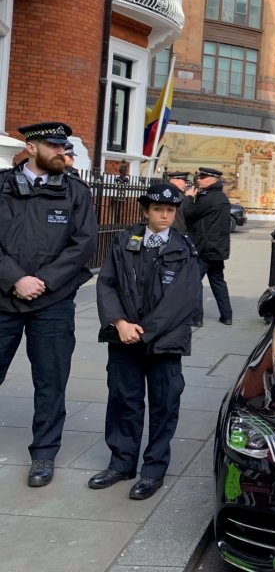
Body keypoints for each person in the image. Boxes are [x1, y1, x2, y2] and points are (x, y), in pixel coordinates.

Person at [0, 122, 97, 487]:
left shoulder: (76, 192)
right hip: (3, 298)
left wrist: (43, 282)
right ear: (31, 147)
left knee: (51, 381)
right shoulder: (2, 186)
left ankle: (44, 453)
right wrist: (15, 279)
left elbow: (84, 243)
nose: (62, 152)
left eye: (64, 146)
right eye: (54, 146)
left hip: (52, 302)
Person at [90, 182, 201, 500]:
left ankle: (153, 470)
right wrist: (120, 323)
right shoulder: (126, 240)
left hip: (165, 341)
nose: (164, 215)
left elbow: (183, 300)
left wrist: (142, 331)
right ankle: (122, 463)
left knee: (164, 405)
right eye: (158, 209)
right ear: (146, 210)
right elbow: (107, 283)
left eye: (170, 210)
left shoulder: (184, 248)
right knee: (123, 400)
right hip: (125, 338)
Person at [184, 167, 232, 326]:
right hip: (217, 248)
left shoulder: (208, 198)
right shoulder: (222, 197)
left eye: (202, 177)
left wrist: (189, 198)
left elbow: (188, 213)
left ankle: (196, 318)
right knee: (218, 282)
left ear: (212, 180)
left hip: (204, 248)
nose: (199, 179)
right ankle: (227, 316)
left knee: (193, 283)